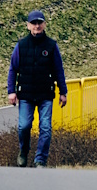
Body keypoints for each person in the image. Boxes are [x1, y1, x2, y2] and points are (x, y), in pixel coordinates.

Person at [7, 9, 67, 167]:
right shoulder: (21, 46)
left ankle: (40, 160)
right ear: (28, 25)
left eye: (39, 22)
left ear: (44, 24)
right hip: (26, 95)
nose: (37, 26)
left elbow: (58, 70)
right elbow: (13, 69)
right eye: (34, 23)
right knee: (24, 126)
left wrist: (63, 92)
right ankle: (23, 151)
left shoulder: (51, 46)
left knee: (45, 128)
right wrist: (11, 91)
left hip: (45, 94)